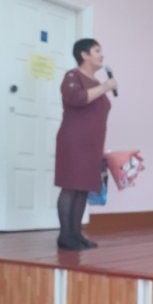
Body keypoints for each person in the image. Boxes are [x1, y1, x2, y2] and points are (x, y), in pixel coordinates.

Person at [54, 38, 117, 250]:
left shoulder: (97, 83)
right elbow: (76, 98)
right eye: (97, 51)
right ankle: (65, 236)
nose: (102, 55)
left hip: (92, 145)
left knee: (83, 188)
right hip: (74, 141)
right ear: (84, 55)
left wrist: (102, 87)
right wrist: (106, 87)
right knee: (71, 186)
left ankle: (76, 234)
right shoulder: (73, 76)